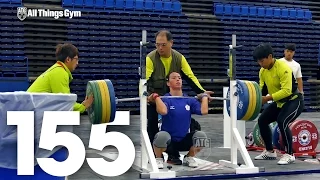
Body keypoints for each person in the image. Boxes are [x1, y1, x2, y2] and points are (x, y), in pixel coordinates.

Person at [146, 29, 213, 164]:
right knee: (153, 125)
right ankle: (155, 157)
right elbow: (144, 82)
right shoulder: (150, 58)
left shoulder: (179, 58)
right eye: (157, 44)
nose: (160, 48)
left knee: (187, 125)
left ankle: (179, 154)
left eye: (163, 44)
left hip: (175, 99)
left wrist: (202, 92)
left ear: (171, 43)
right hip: (156, 99)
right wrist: (148, 96)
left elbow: (190, 77)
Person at [253, 43, 304, 165]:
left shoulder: (283, 68)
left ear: (270, 56)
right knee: (262, 120)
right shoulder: (262, 71)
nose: (260, 64)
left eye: (262, 61)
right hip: (280, 102)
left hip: (294, 100)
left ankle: (289, 154)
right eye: (258, 62)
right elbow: (262, 89)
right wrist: (256, 97)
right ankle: (270, 151)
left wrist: (268, 98)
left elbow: (287, 91)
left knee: (282, 121)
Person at [148, 72, 209, 169]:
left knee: (201, 137)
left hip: (183, 140)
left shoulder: (189, 99)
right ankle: (159, 158)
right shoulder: (166, 99)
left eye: (179, 78)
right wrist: (156, 97)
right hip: (168, 142)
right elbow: (163, 111)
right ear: (168, 83)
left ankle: (188, 157)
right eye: (174, 78)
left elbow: (204, 111)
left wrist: (205, 96)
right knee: (161, 136)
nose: (178, 80)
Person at [27, 43, 93, 113]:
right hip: (31, 113)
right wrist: (83, 106)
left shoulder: (56, 69)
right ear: (68, 59)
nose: (77, 63)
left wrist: (82, 105)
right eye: (76, 59)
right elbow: (65, 103)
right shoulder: (60, 72)